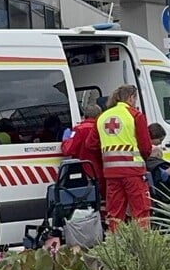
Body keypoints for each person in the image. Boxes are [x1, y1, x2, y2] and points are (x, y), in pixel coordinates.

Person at [95, 85, 152, 231]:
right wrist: (143, 159)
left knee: (115, 212)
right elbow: (145, 147)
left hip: (111, 174)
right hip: (133, 172)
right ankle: (143, 244)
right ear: (131, 98)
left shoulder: (102, 117)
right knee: (141, 211)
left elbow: (91, 143)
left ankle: (116, 246)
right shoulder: (135, 115)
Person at [61, 104, 105, 197]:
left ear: (85, 116)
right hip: (103, 171)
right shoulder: (103, 128)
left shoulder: (79, 129)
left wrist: (65, 140)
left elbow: (68, 150)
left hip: (85, 172)